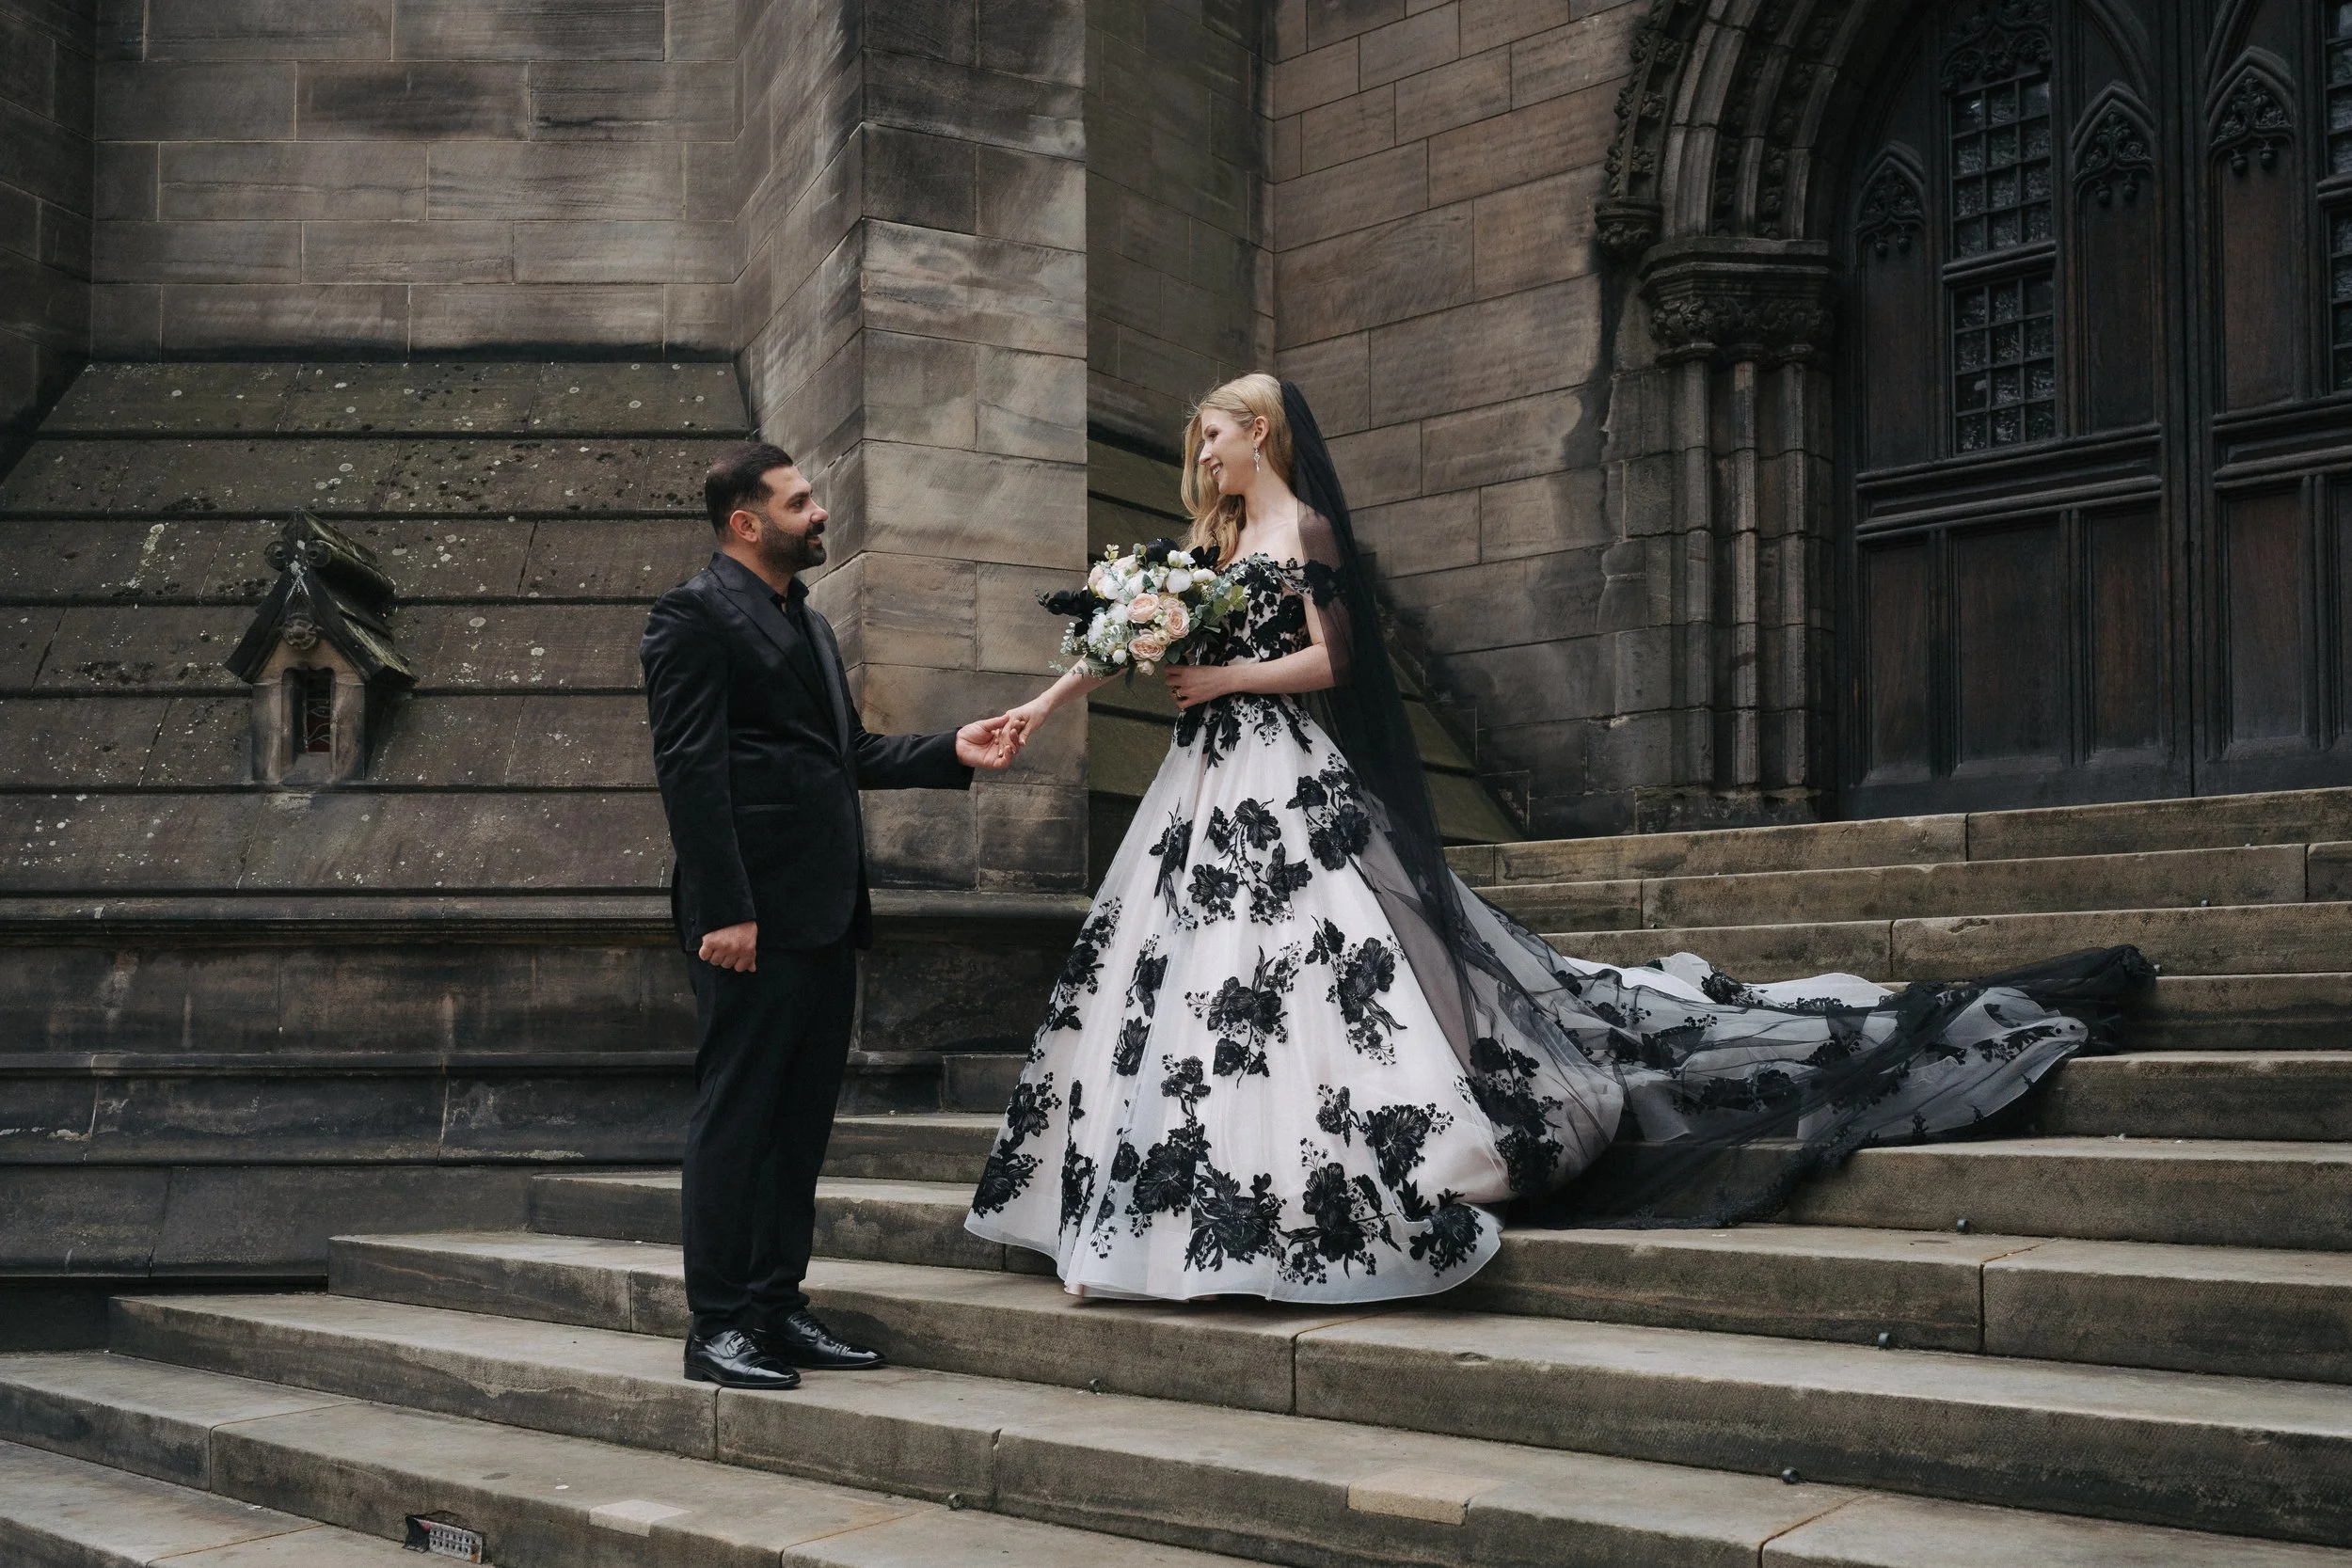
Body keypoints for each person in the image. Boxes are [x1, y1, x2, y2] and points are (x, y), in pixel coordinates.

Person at [963, 373, 2148, 1304]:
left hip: (1278, 764)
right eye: (1199, 439)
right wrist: (1039, 706)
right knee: (1185, 981)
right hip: (1202, 782)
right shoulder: (1207, 544)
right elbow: (1117, 634)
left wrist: (1220, 670)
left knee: (1315, 971)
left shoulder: (1304, 532)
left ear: (1260, 434)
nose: (1202, 452)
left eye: (1215, 433)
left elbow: (1335, 661)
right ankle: (1158, 1209)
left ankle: (1329, 1177)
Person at [643, 440, 1021, 1388]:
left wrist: (951, 749)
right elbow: (691, 774)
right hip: (747, 922)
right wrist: (726, 909)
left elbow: (843, 753)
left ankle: (776, 1307)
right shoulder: (691, 616)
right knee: (738, 1120)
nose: (818, 512)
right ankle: (718, 1323)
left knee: (799, 1124)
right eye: (799, 500)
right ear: (746, 521)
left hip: (821, 913)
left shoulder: (804, 617)